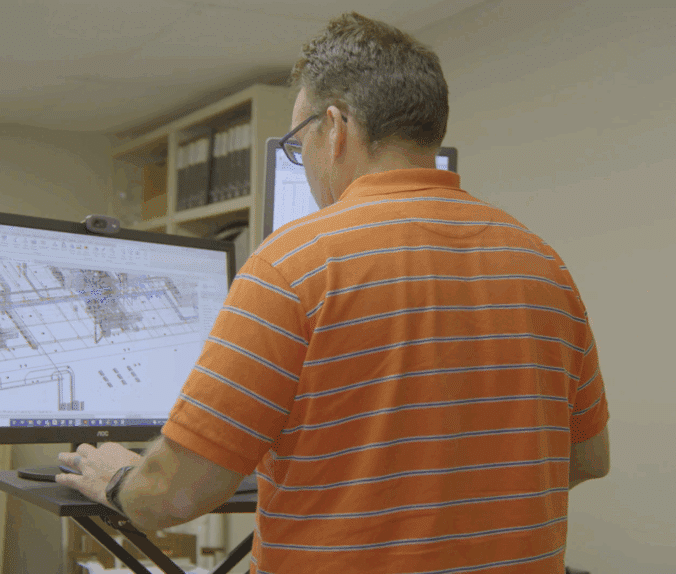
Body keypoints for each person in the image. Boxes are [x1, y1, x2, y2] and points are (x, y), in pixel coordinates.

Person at [56, 11, 610, 573]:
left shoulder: (293, 264)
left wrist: (120, 480)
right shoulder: (543, 265)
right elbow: (587, 457)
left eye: (300, 144)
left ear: (336, 128)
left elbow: (175, 495)